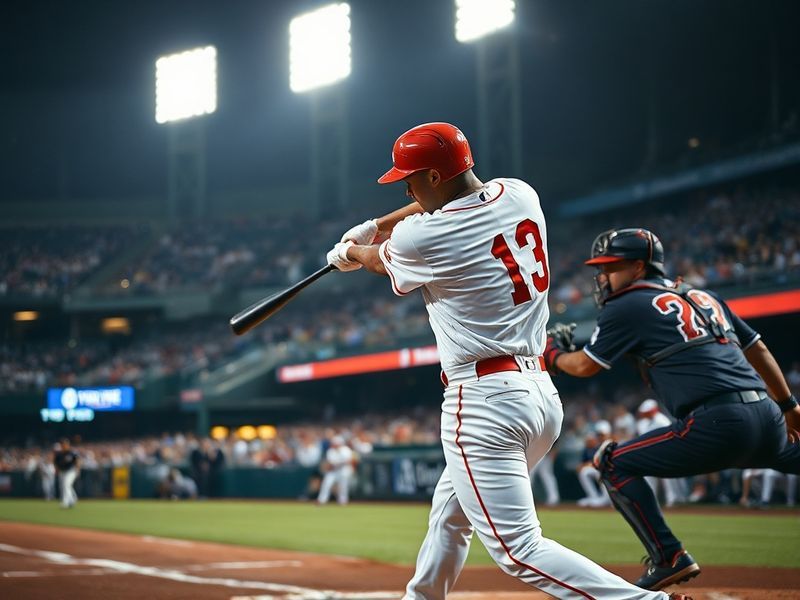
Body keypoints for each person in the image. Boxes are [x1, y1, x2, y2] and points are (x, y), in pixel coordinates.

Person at [327, 124, 683, 599]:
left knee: (518, 548)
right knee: (450, 515)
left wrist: (351, 249)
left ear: (435, 174)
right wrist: (378, 224)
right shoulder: (519, 193)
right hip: (539, 395)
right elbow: (438, 202)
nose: (406, 187)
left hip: (482, 401)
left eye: (410, 178)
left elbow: (379, 258)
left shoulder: (424, 237)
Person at [544, 227, 800, 591]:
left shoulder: (626, 304)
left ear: (637, 267)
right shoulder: (702, 294)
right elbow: (756, 348)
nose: (602, 276)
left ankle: (669, 557)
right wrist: (789, 404)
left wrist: (554, 356)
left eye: (610, 267)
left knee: (612, 462)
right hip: (767, 418)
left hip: (716, 425)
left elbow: (586, 366)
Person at [576, 421, 612, 508]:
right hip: (601, 471)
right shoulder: (598, 445)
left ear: (608, 433)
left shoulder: (611, 444)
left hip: (611, 473)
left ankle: (607, 500)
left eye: (602, 434)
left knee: (601, 472)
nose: (600, 436)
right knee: (584, 472)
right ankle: (594, 497)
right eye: (599, 434)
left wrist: (589, 464)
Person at [317, 435, 354, 505]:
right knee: (326, 483)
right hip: (333, 471)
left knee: (343, 486)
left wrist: (338, 463)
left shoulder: (346, 450)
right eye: (334, 443)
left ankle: (343, 501)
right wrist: (338, 463)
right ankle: (322, 500)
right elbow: (330, 463)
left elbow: (349, 461)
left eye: (336, 443)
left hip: (344, 470)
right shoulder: (330, 451)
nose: (335, 444)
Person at [54, 438, 80, 508]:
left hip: (71, 471)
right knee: (65, 486)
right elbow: (56, 463)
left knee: (66, 485)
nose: (64, 445)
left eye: (65, 444)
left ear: (68, 445)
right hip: (62, 471)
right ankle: (73, 499)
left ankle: (65, 502)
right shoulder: (59, 454)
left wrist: (78, 470)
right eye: (63, 444)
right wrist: (56, 470)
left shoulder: (72, 452)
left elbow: (77, 461)